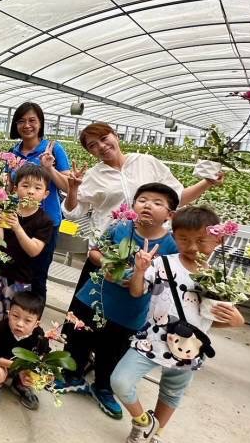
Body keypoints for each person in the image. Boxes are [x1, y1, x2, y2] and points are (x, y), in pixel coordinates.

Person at [61, 122, 221, 386]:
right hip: (108, 250)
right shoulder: (94, 176)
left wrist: (206, 182)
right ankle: (72, 370)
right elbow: (73, 212)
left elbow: (177, 197)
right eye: (93, 145)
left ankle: (105, 381)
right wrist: (74, 188)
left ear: (115, 135)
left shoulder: (146, 163)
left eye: (104, 138)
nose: (101, 146)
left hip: (149, 255)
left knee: (124, 323)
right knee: (85, 313)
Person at [111, 206, 244, 443]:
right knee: (120, 382)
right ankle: (144, 423)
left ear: (218, 239)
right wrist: (139, 271)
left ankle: (156, 436)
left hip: (189, 349)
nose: (192, 247)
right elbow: (136, 292)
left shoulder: (220, 278)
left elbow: (211, 320)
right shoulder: (162, 264)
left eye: (201, 240)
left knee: (172, 393)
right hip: (151, 340)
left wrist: (236, 322)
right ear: (174, 237)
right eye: (183, 239)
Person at [62, 183, 180, 418]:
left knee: (113, 352)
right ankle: (71, 377)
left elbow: (167, 282)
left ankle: (103, 388)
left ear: (170, 215)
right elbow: (94, 252)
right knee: (79, 339)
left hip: (129, 311)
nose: (148, 205)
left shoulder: (170, 246)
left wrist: (141, 278)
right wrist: (106, 265)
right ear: (133, 205)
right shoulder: (120, 227)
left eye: (157, 203)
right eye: (142, 200)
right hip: (93, 298)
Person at [7, 102, 71, 300]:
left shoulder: (54, 149)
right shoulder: (12, 152)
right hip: (18, 219)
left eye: (32, 120)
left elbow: (68, 187)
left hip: (45, 222)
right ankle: (12, 314)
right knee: (14, 271)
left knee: (37, 275)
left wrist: (49, 168)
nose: (27, 125)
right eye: (21, 121)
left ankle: (31, 317)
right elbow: (9, 187)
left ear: (41, 123)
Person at [0, 164, 53, 334]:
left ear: (45, 194)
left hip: (20, 279)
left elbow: (33, 250)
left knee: (15, 322)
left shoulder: (44, 221)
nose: (30, 192)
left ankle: (8, 348)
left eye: (37, 188)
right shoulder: (5, 210)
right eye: (25, 185)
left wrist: (17, 227)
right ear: (15, 189)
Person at [0, 292, 50, 410]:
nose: (19, 324)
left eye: (27, 320)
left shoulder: (39, 335)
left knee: (39, 374)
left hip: (22, 369)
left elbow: (44, 356)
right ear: (8, 313)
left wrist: (43, 375)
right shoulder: (2, 328)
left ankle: (19, 385)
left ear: (36, 323)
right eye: (15, 316)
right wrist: (17, 366)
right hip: (1, 365)